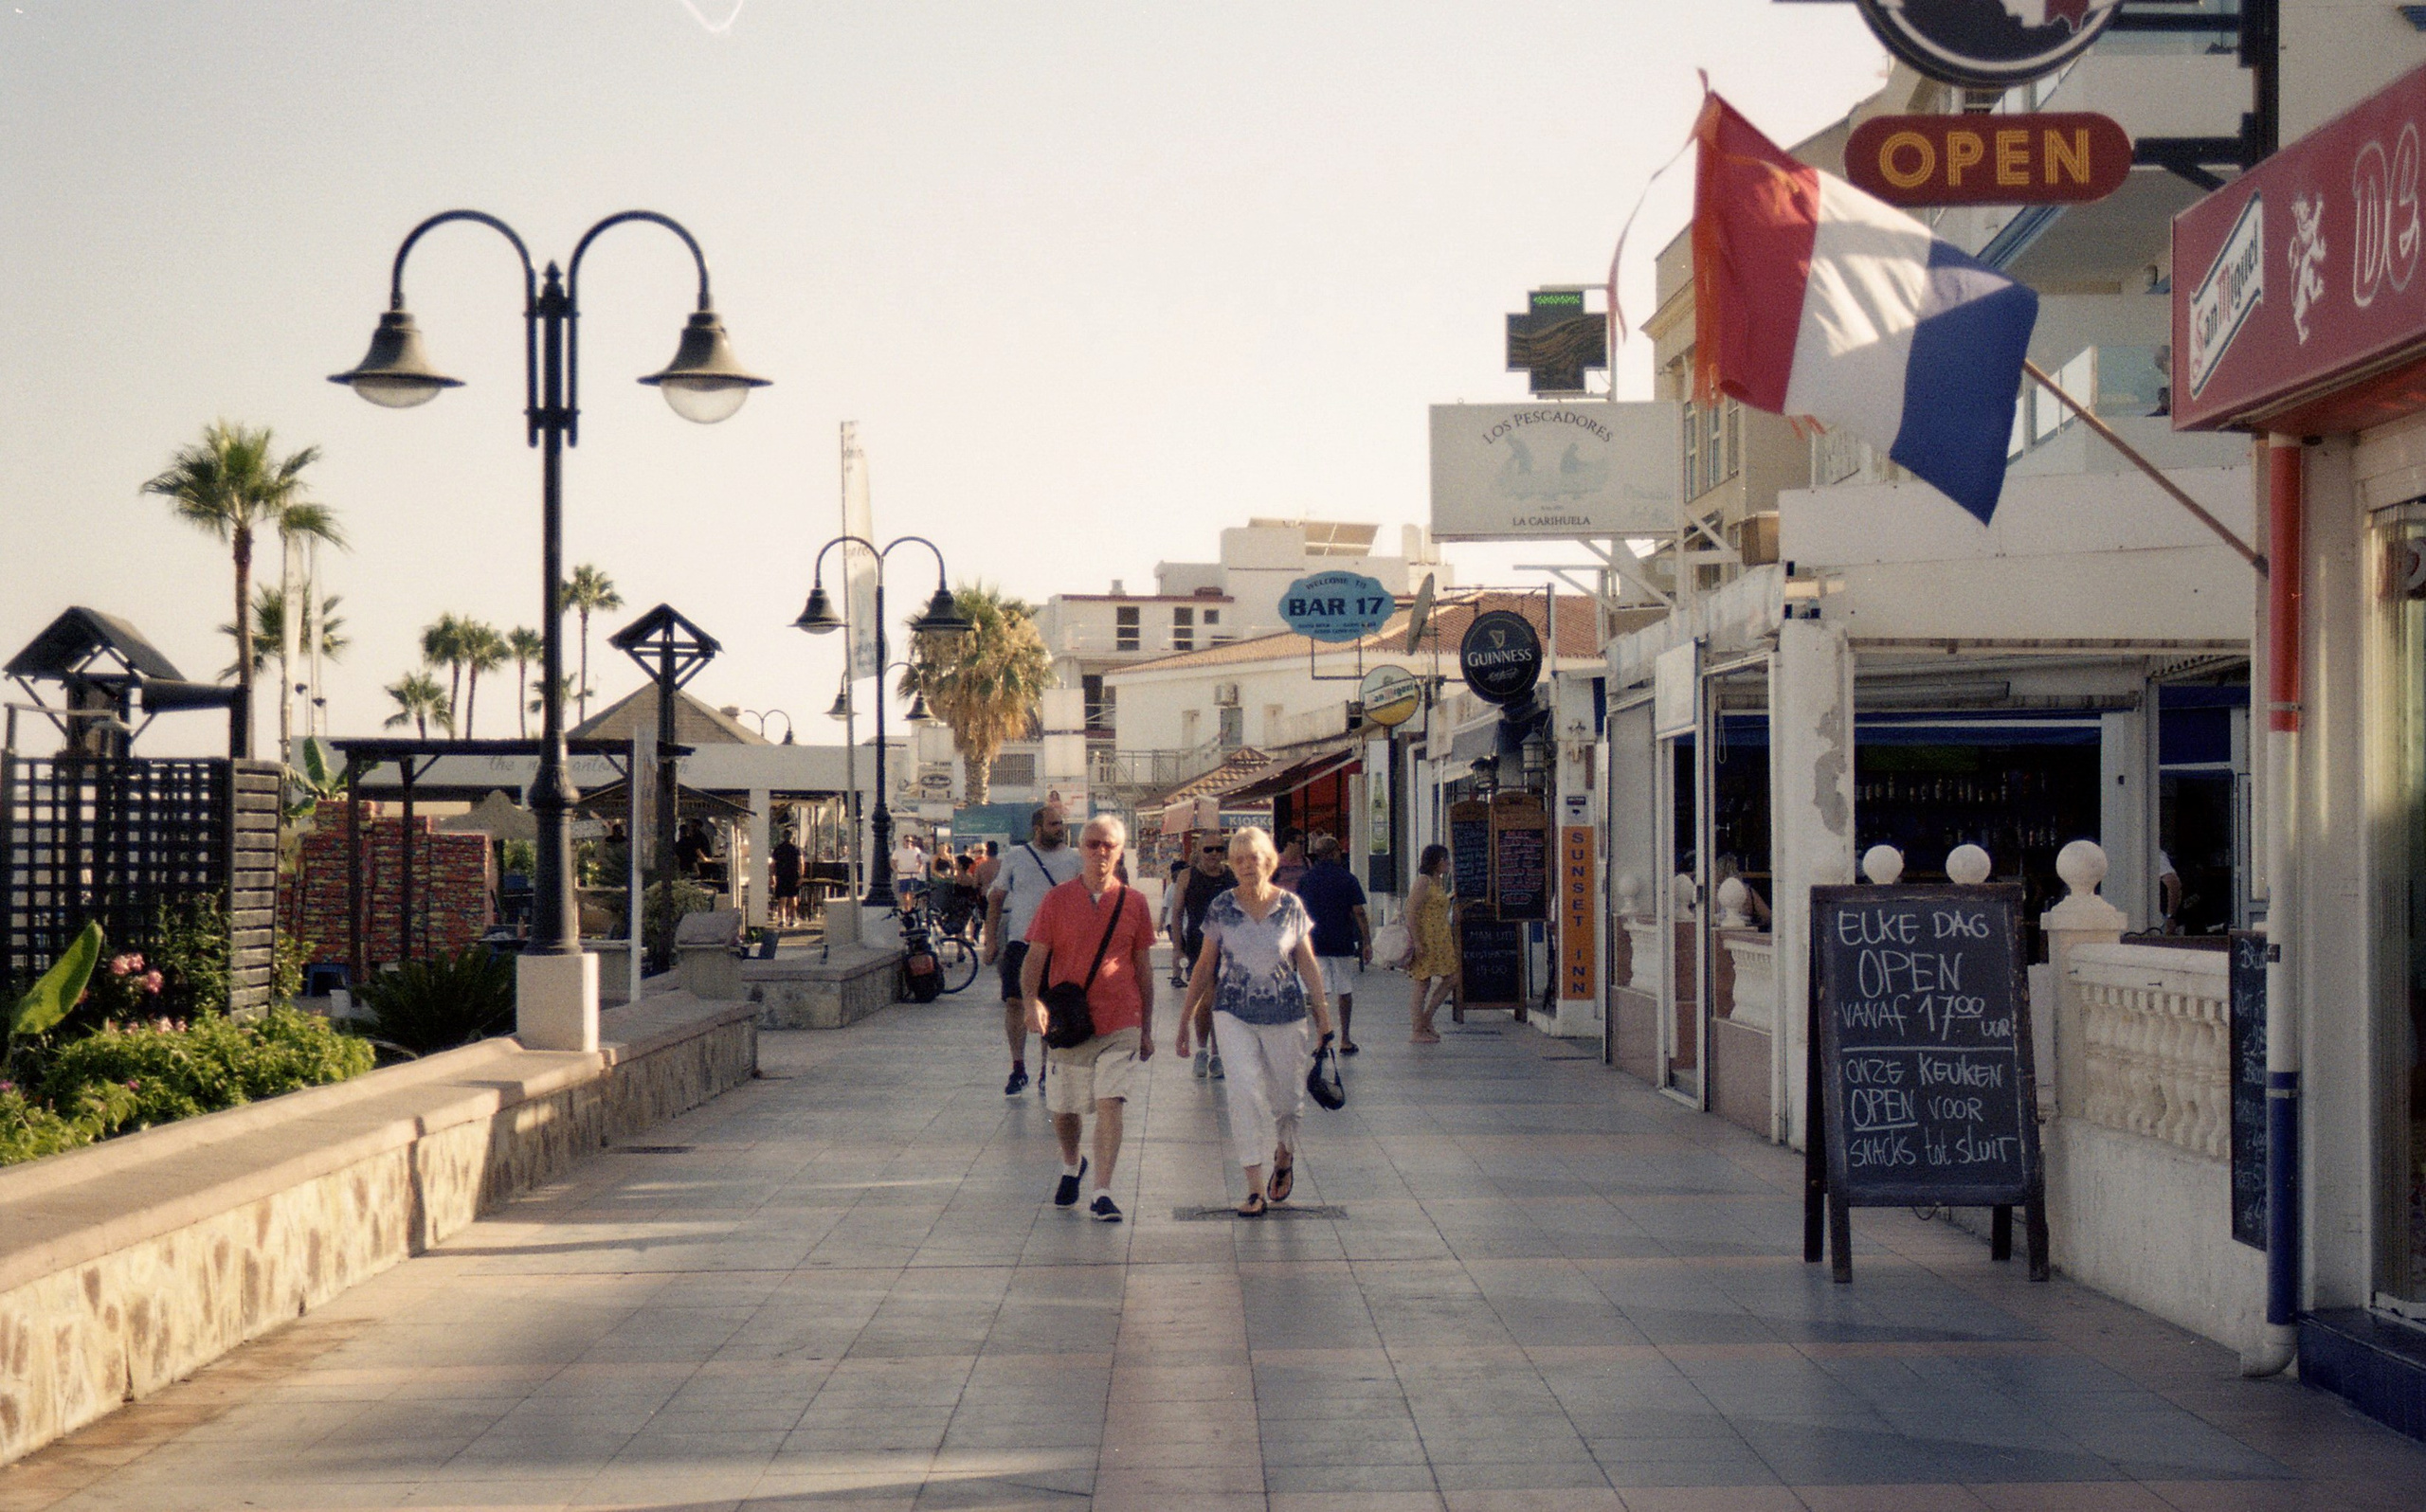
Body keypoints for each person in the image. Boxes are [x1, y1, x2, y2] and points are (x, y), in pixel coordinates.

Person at [1177, 826, 1333, 1217]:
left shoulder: (1291, 906)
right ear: (1232, 863)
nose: (1248, 866)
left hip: (1286, 1013)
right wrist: (1184, 1020)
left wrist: (1325, 1017)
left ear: (1270, 861)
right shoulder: (1222, 907)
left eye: (1255, 858)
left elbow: (1308, 964)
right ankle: (1252, 1188)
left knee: (1288, 1102)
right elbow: (1204, 966)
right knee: (1244, 1095)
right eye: (1240, 859)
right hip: (1233, 1013)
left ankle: (1284, 1154)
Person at [1021, 815, 1159, 1222]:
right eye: (1093, 843)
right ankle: (1071, 1163)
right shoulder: (1057, 900)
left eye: (1110, 845)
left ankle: (1102, 1191)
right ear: (1080, 848)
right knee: (1064, 1110)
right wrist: (1031, 1001)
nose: (1101, 852)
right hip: (1070, 1023)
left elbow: (1144, 969)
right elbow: (1035, 957)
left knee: (1110, 1101)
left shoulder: (1134, 903)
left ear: (1121, 851)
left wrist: (1147, 1029)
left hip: (1120, 1021)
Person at [985, 805, 1080, 1095]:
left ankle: (1044, 1070)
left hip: (1059, 945)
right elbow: (996, 898)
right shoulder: (1016, 857)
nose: (1059, 828)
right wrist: (991, 941)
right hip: (1021, 942)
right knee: (1015, 1002)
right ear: (1037, 828)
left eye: (1061, 823)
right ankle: (1018, 1067)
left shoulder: (1074, 859)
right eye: (1053, 824)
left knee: (1049, 1006)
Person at [1294, 834, 1371, 1053]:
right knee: (1344, 990)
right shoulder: (1347, 879)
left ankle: (1323, 1039)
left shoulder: (1306, 880)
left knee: (1319, 993)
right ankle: (1345, 1039)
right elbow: (1359, 912)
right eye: (1339, 850)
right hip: (1342, 941)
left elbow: (1298, 913)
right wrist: (1366, 941)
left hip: (1314, 942)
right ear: (1332, 853)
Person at [1174, 836, 1237, 1080]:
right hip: (1199, 946)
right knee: (1205, 1000)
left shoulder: (1231, 877)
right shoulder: (1188, 877)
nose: (1213, 854)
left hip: (1227, 947)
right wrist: (1177, 948)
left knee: (1219, 1002)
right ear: (1198, 851)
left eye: (1218, 849)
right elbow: (1178, 913)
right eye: (1208, 849)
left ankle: (1216, 1052)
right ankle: (1203, 1049)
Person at [1401, 842, 1457, 1044]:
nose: (1448, 864)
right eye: (1445, 860)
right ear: (1437, 861)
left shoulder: (1438, 882)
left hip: (1440, 939)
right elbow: (1411, 910)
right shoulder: (1423, 882)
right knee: (1422, 982)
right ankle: (1417, 1029)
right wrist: (1417, 941)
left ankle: (1426, 1020)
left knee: (1451, 978)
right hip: (1425, 938)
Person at [770, 827, 803, 929]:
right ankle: (793, 919)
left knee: (782, 898)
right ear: (792, 837)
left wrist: (772, 876)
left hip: (781, 875)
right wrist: (801, 876)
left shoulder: (778, 848)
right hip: (793, 875)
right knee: (793, 897)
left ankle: (782, 919)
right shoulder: (796, 849)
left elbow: (773, 864)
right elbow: (800, 862)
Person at [892, 833, 926, 909]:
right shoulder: (898, 851)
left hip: (913, 875)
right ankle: (906, 908)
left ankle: (911, 908)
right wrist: (896, 870)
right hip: (902, 875)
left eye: (911, 841)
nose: (909, 843)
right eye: (907, 841)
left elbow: (920, 861)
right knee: (904, 894)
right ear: (903, 841)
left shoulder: (916, 850)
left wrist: (920, 869)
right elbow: (893, 862)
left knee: (911, 893)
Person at [1273, 826, 1309, 892]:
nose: (1303, 846)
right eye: (1300, 843)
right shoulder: (1276, 862)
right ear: (1289, 843)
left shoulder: (1305, 861)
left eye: (1304, 843)